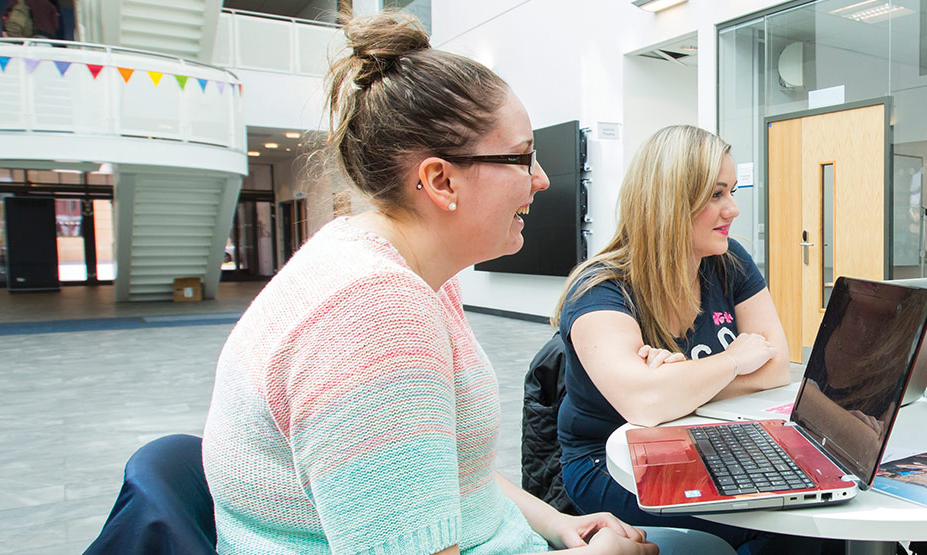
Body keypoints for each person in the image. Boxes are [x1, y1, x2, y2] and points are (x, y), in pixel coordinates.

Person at [202, 13, 673, 555]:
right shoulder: (372, 315)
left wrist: (558, 524)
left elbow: (435, 469)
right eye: (522, 158)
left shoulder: (400, 275)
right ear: (440, 180)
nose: (540, 179)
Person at [554, 125, 813, 552]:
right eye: (715, 195)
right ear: (670, 201)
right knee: (776, 526)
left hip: (695, 441)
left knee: (802, 504)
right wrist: (730, 360)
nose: (732, 209)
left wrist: (680, 383)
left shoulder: (727, 261)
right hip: (609, 462)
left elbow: (776, 367)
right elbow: (644, 403)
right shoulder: (599, 289)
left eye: (731, 191)